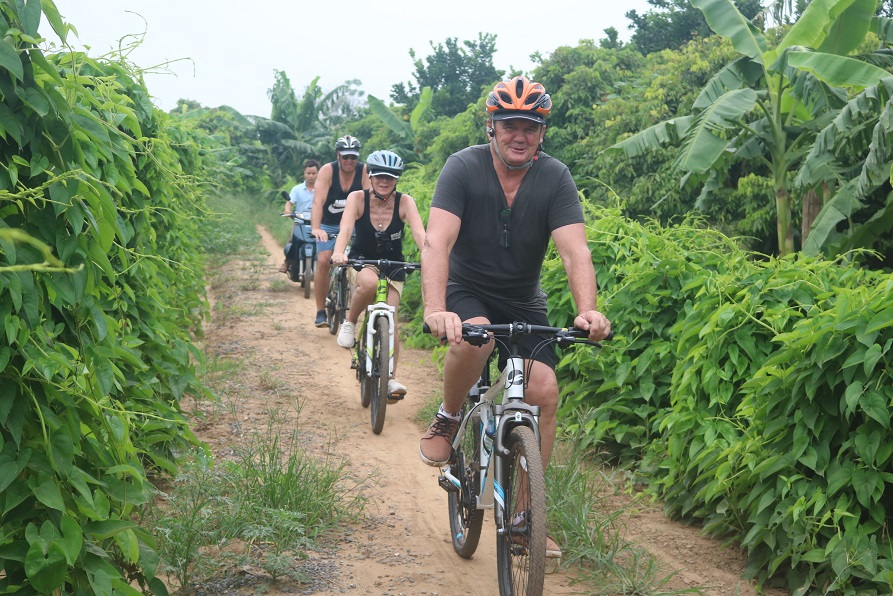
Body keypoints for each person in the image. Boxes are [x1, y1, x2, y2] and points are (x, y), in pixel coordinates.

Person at [418, 76, 612, 559]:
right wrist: (436, 308)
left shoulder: (556, 178)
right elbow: (436, 242)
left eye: (530, 125)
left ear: (542, 132)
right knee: (475, 339)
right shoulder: (462, 168)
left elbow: (575, 251)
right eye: (509, 125)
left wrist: (587, 309)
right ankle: (449, 415)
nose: (518, 135)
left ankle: (526, 515)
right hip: (467, 290)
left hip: (525, 302)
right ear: (492, 128)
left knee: (544, 391)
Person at [330, 150, 426, 398]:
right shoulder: (357, 198)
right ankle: (350, 322)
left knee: (391, 321)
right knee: (370, 284)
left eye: (391, 177)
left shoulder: (406, 202)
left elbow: (420, 235)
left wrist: (431, 257)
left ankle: (390, 378)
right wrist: (340, 253)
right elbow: (346, 228)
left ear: (397, 180)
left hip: (393, 265)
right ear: (371, 177)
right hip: (363, 261)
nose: (385, 181)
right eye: (381, 176)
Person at [310, 135, 370, 326]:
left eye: (353, 157)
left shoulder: (363, 171)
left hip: (354, 224)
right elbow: (318, 201)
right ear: (338, 155)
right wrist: (316, 228)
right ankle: (320, 311)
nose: (349, 161)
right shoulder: (328, 170)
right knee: (323, 260)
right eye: (345, 157)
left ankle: (356, 307)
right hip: (329, 224)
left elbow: (369, 201)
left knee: (362, 262)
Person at [279, 159, 320, 273]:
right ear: (304, 173)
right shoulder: (297, 189)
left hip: (317, 223)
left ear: (318, 173)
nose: (311, 176)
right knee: (292, 240)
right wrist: (287, 210)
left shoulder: (323, 189)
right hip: (300, 222)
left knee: (326, 242)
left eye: (313, 173)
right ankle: (287, 262)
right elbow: (290, 202)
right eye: (308, 173)